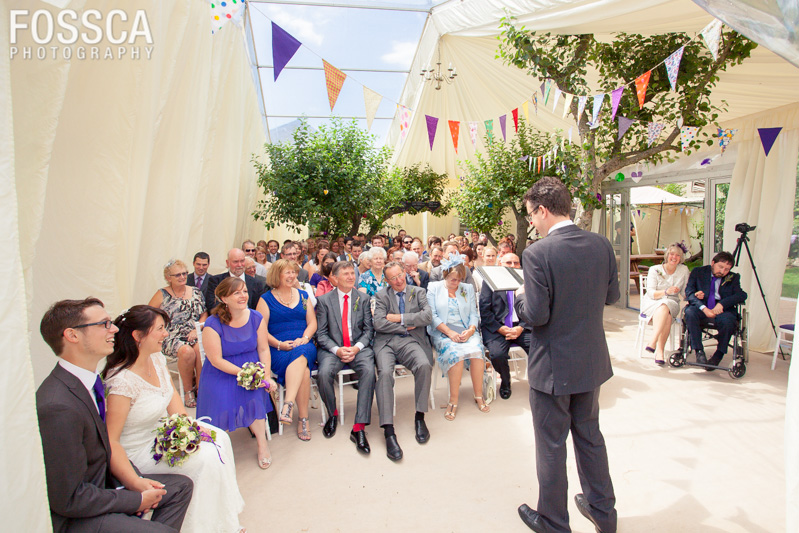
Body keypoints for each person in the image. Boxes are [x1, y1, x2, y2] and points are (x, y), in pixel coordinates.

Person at [36, 298, 193, 532]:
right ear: (72, 335)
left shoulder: (89, 382)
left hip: (106, 486)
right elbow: (69, 498)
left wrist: (136, 482)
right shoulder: (57, 406)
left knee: (180, 487)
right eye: (104, 324)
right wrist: (135, 500)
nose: (115, 329)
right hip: (79, 516)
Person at [517, 176, 619, 533]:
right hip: (590, 361)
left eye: (531, 215)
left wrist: (519, 300)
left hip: (553, 368)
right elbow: (611, 296)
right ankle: (603, 513)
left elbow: (536, 314)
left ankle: (553, 522)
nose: (530, 222)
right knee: (590, 437)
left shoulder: (537, 253)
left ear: (543, 210)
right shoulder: (602, 244)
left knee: (551, 446)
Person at [104, 305, 245, 532]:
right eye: (160, 329)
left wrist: (189, 431)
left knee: (218, 438)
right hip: (138, 450)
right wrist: (133, 480)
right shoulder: (122, 381)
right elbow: (112, 441)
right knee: (205, 458)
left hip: (165, 432)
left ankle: (223, 519)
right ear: (138, 336)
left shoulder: (157, 358)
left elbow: (175, 405)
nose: (166, 334)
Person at [196, 277, 276, 470]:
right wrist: (245, 373)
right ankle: (218, 448)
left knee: (255, 397)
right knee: (220, 399)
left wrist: (264, 376)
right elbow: (215, 359)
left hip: (251, 368)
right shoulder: (213, 324)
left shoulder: (256, 317)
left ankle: (262, 444)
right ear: (224, 298)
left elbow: (264, 349)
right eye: (237, 293)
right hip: (222, 372)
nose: (243, 296)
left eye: (245, 291)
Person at [373, 262, 433, 461]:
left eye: (400, 275)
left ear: (404, 273)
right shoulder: (381, 295)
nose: (398, 281)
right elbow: (379, 322)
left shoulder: (418, 292)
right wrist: (404, 326)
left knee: (424, 365)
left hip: (411, 341)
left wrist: (398, 317)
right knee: (384, 374)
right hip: (386, 342)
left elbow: (426, 317)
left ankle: (420, 417)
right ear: (386, 280)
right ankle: (389, 430)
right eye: (393, 278)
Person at [315, 261, 376, 454]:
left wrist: (357, 348)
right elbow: (321, 334)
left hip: (358, 347)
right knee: (324, 373)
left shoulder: (363, 298)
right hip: (333, 348)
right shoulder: (325, 301)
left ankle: (359, 427)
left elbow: (368, 330)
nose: (351, 277)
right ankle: (332, 413)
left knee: (368, 372)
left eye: (352, 273)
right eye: (346, 274)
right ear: (334, 278)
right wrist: (337, 350)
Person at [257, 259, 318, 441]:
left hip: (303, 343)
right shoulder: (265, 299)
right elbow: (261, 330)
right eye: (287, 273)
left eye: (294, 272)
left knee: (302, 351)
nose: (292, 276)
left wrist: (305, 338)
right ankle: (303, 419)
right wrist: (278, 344)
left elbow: (312, 322)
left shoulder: (302, 295)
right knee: (304, 372)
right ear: (277, 275)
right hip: (278, 348)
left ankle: (288, 403)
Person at [426, 255, 488, 420]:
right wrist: (449, 333)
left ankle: (479, 394)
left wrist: (471, 330)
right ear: (445, 275)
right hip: (443, 331)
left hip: (465, 330)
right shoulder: (434, 287)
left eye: (459, 279)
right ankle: (453, 400)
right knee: (456, 354)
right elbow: (431, 315)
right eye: (453, 279)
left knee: (476, 350)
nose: (456, 282)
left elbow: (474, 313)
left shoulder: (466, 288)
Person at [148, 259, 207, 408]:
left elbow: (204, 314)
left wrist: (197, 329)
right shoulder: (162, 294)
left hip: (194, 332)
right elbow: (149, 315)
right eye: (177, 275)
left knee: (200, 349)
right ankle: (188, 391)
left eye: (184, 273)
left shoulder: (195, 291)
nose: (182, 277)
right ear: (169, 278)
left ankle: (201, 389)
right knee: (187, 352)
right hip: (171, 335)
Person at [479, 252, 530, 400]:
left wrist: (521, 327)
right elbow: (485, 310)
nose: (513, 266)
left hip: (521, 327)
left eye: (516, 263)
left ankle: (538, 382)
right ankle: (506, 380)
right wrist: (500, 328)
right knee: (496, 355)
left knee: (540, 347)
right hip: (497, 328)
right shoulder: (489, 281)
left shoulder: (527, 282)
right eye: (509, 263)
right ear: (500, 264)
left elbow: (534, 308)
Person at [684, 251, 747, 368]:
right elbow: (689, 292)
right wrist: (702, 306)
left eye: (727, 269)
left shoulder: (733, 277)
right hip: (702, 305)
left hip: (723, 309)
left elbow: (742, 295)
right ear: (713, 263)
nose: (722, 272)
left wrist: (723, 304)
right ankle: (699, 351)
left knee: (728, 321)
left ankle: (719, 354)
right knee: (690, 312)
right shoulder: (698, 272)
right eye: (720, 267)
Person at [639, 243, 690, 365]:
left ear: (681, 258)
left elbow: (684, 292)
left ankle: (653, 341)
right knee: (666, 312)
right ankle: (660, 351)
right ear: (667, 255)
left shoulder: (683, 270)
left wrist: (693, 294)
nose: (674, 257)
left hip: (672, 302)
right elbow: (651, 293)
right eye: (672, 254)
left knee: (666, 304)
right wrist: (666, 291)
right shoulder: (654, 269)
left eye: (678, 255)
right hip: (652, 302)